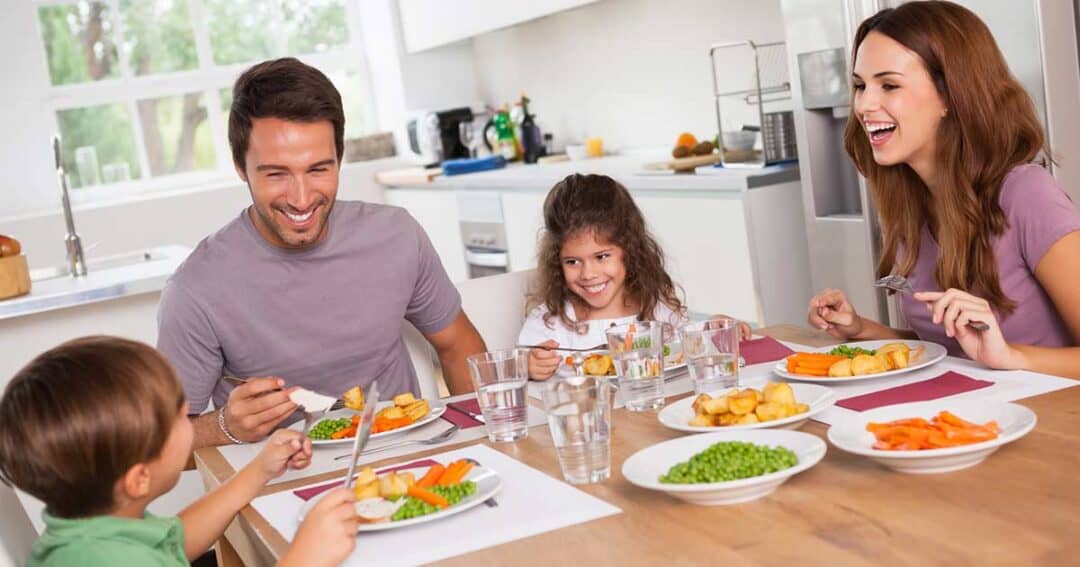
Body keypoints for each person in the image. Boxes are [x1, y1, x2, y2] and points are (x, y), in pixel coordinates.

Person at [157, 57, 487, 449]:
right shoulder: (196, 289)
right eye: (276, 174)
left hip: (405, 461)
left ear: (340, 158)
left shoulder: (396, 235)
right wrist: (225, 426)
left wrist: (482, 437)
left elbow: (458, 345)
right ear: (240, 167)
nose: (301, 199)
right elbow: (165, 447)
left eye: (318, 169)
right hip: (282, 488)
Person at [807, 1, 1080, 378]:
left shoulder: (1026, 195)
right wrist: (863, 331)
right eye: (860, 86)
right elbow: (955, 349)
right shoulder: (912, 201)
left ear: (950, 96)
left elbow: (996, 355)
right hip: (966, 423)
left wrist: (1012, 357)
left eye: (889, 85)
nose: (864, 104)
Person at [0, 336, 358, 567]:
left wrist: (260, 470)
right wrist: (304, 559)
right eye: (176, 413)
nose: (188, 407)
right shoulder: (109, 560)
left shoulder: (96, 531)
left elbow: (176, 540)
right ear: (139, 479)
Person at [519, 174, 750, 379]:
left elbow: (685, 350)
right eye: (572, 262)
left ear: (629, 250)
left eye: (601, 257)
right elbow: (517, 375)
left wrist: (711, 332)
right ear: (556, 262)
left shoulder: (656, 307)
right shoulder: (549, 324)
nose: (588, 274)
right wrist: (528, 367)